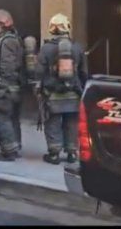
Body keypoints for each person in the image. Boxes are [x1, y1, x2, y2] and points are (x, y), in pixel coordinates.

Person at [35, 13, 87, 165]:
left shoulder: (46, 48)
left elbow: (39, 72)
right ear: (67, 28)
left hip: (52, 95)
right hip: (74, 95)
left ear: (52, 28)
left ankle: (54, 154)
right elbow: (83, 72)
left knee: (53, 123)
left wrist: (39, 89)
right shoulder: (77, 47)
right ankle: (72, 153)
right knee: (72, 123)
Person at [0, 9, 25, 161]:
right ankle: (15, 146)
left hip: (6, 88)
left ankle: (8, 151)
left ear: (3, 25)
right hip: (15, 88)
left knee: (1, 118)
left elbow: (7, 68)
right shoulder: (14, 39)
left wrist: (0, 85)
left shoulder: (7, 41)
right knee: (12, 118)